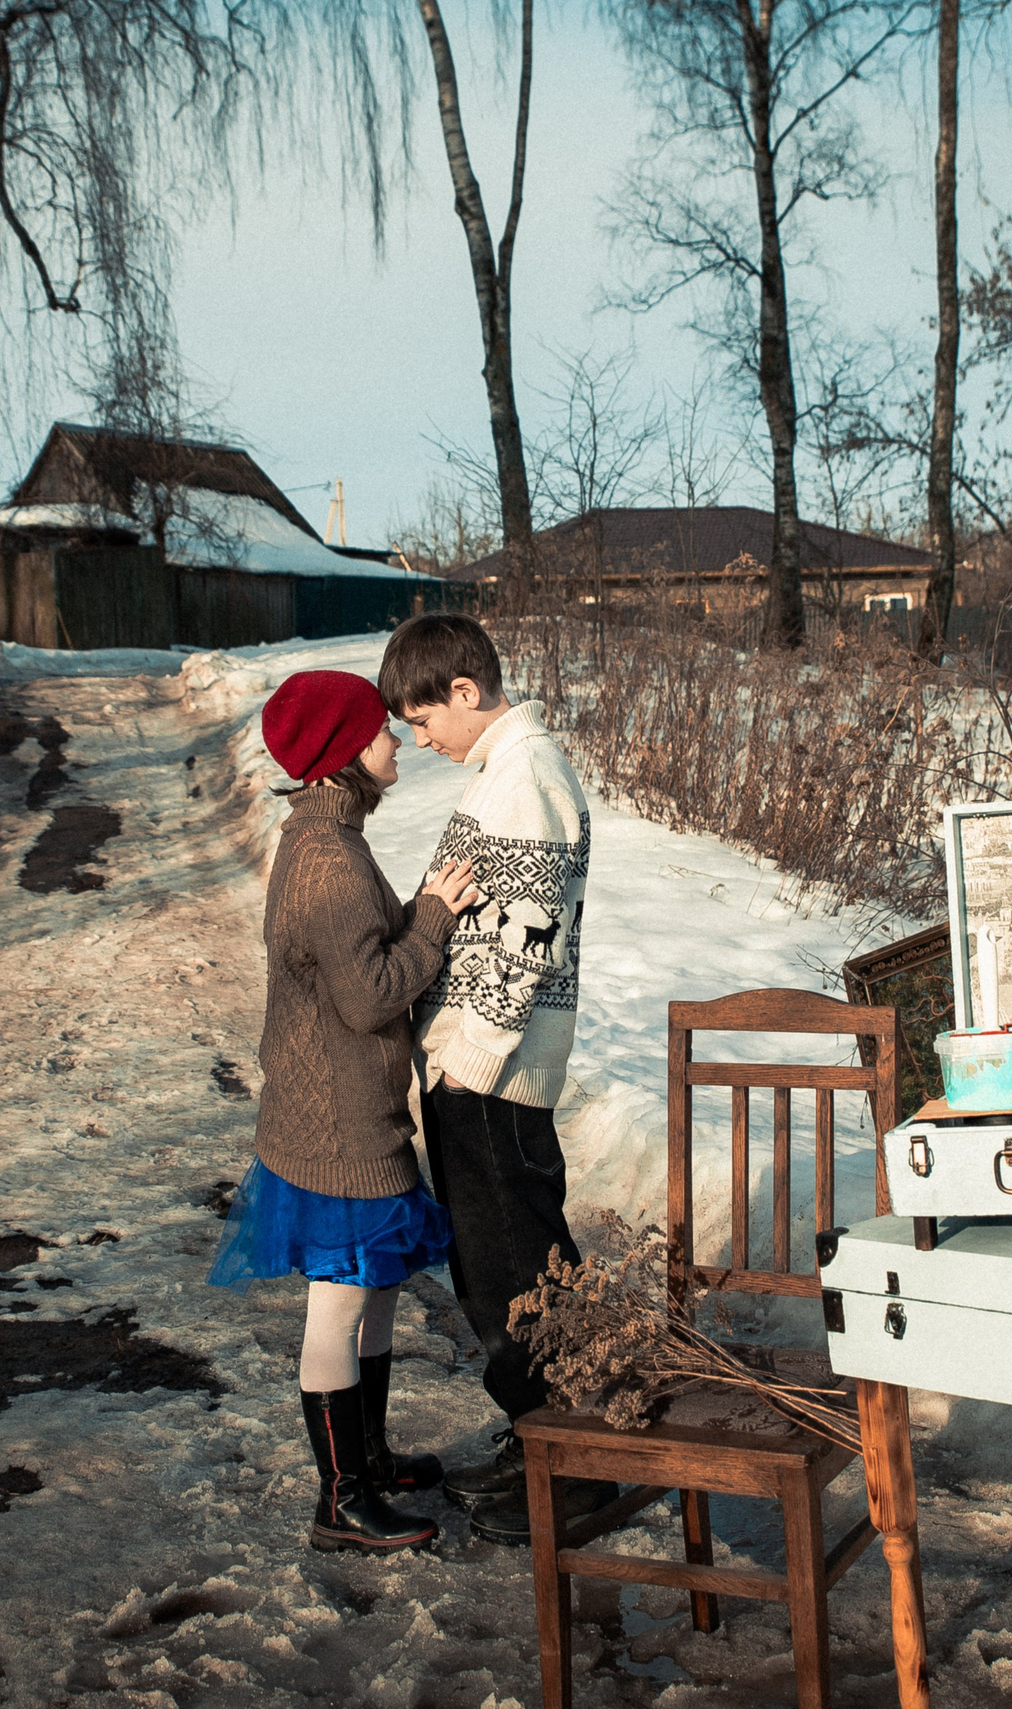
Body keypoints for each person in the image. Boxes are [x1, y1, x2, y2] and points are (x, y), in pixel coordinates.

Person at [208, 668, 481, 1554]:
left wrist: (418, 909)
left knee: (378, 1290)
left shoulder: (329, 838)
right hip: (334, 1124)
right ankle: (341, 1499)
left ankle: (370, 1458)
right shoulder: (327, 859)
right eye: (379, 730)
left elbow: (356, 953)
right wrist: (432, 920)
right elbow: (368, 996)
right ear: (343, 753)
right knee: (340, 1302)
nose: (396, 740)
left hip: (352, 1108)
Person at [376, 613, 611, 1547]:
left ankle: (575, 1464)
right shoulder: (504, 771)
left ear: (465, 691)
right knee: (498, 1267)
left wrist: (470, 1056)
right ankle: (542, 1438)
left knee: (516, 1269)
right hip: (477, 1063)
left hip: (491, 1069)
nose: (419, 739)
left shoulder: (528, 778)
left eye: (423, 719)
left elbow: (526, 938)